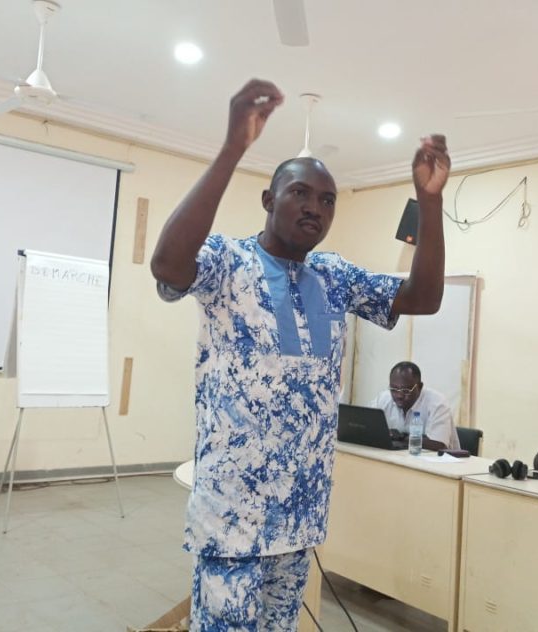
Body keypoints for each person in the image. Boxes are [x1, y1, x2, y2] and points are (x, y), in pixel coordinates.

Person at [150, 78, 449, 630]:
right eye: (300, 194)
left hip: (300, 514)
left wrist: (429, 203)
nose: (316, 207)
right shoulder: (227, 262)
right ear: (269, 201)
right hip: (231, 516)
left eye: (328, 199)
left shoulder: (334, 276)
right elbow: (169, 265)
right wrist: (232, 150)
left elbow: (424, 297)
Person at [371, 361, 459, 451]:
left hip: (438, 461)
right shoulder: (383, 398)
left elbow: (438, 445)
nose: (399, 395)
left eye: (406, 390)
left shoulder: (437, 403)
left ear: (419, 387)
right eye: (394, 389)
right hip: (399, 457)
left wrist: (401, 437)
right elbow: (367, 428)